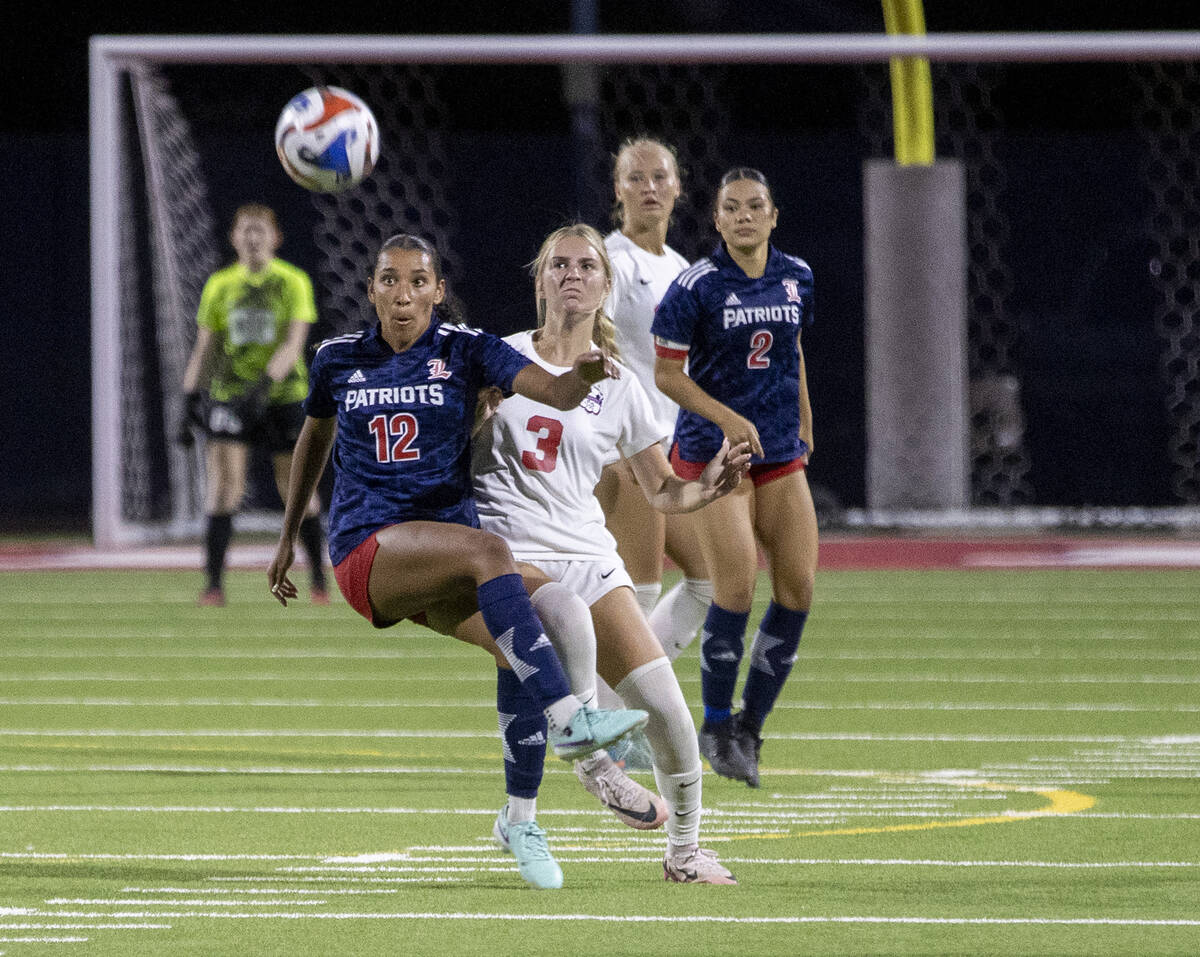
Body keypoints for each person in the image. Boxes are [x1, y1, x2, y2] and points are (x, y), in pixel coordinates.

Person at [266, 232, 649, 890]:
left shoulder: (466, 349)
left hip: (444, 552)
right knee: (492, 551)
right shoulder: (338, 359)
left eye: (418, 281)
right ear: (372, 290)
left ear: (438, 291)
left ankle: (519, 820)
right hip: (370, 549)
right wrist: (288, 533)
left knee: (545, 617)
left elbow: (556, 391)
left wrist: (583, 377)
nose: (403, 293)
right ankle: (572, 721)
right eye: (390, 280)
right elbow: (315, 436)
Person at [467, 223, 750, 885]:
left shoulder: (621, 384)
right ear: (540, 281)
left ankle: (684, 853)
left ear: (605, 285)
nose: (572, 274)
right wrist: (474, 418)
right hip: (509, 555)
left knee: (667, 711)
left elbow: (661, 490)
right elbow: (450, 454)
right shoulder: (498, 359)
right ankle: (594, 763)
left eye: (586, 266)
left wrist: (708, 486)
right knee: (561, 626)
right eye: (559, 264)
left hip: (590, 556)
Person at [651, 168, 818, 789]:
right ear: (716, 219)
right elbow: (667, 374)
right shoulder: (696, 286)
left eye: (755, 206)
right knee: (737, 585)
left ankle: (751, 727)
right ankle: (716, 725)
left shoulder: (797, 276)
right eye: (732, 207)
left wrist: (804, 422)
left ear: (773, 216)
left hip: (778, 451)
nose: (744, 216)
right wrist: (725, 420)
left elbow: (792, 350)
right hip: (714, 453)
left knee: (798, 587)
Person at [591, 138, 716, 770]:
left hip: (672, 446)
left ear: (678, 186)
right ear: (618, 190)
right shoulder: (610, 263)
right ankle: (610, 727)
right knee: (636, 591)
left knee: (709, 579)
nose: (648, 187)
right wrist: (608, 439)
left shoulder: (680, 267)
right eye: (634, 178)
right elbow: (595, 349)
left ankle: (613, 709)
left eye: (659, 176)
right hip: (629, 447)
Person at [179, 203, 329, 607]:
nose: (252, 237)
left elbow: (294, 344)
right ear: (233, 238)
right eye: (245, 229)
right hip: (230, 395)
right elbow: (206, 347)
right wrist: (189, 397)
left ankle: (319, 580)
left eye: (260, 229)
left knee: (294, 487)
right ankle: (213, 586)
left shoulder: (293, 281)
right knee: (224, 486)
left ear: (275, 238)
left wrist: (261, 391)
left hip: (282, 395)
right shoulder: (220, 285)